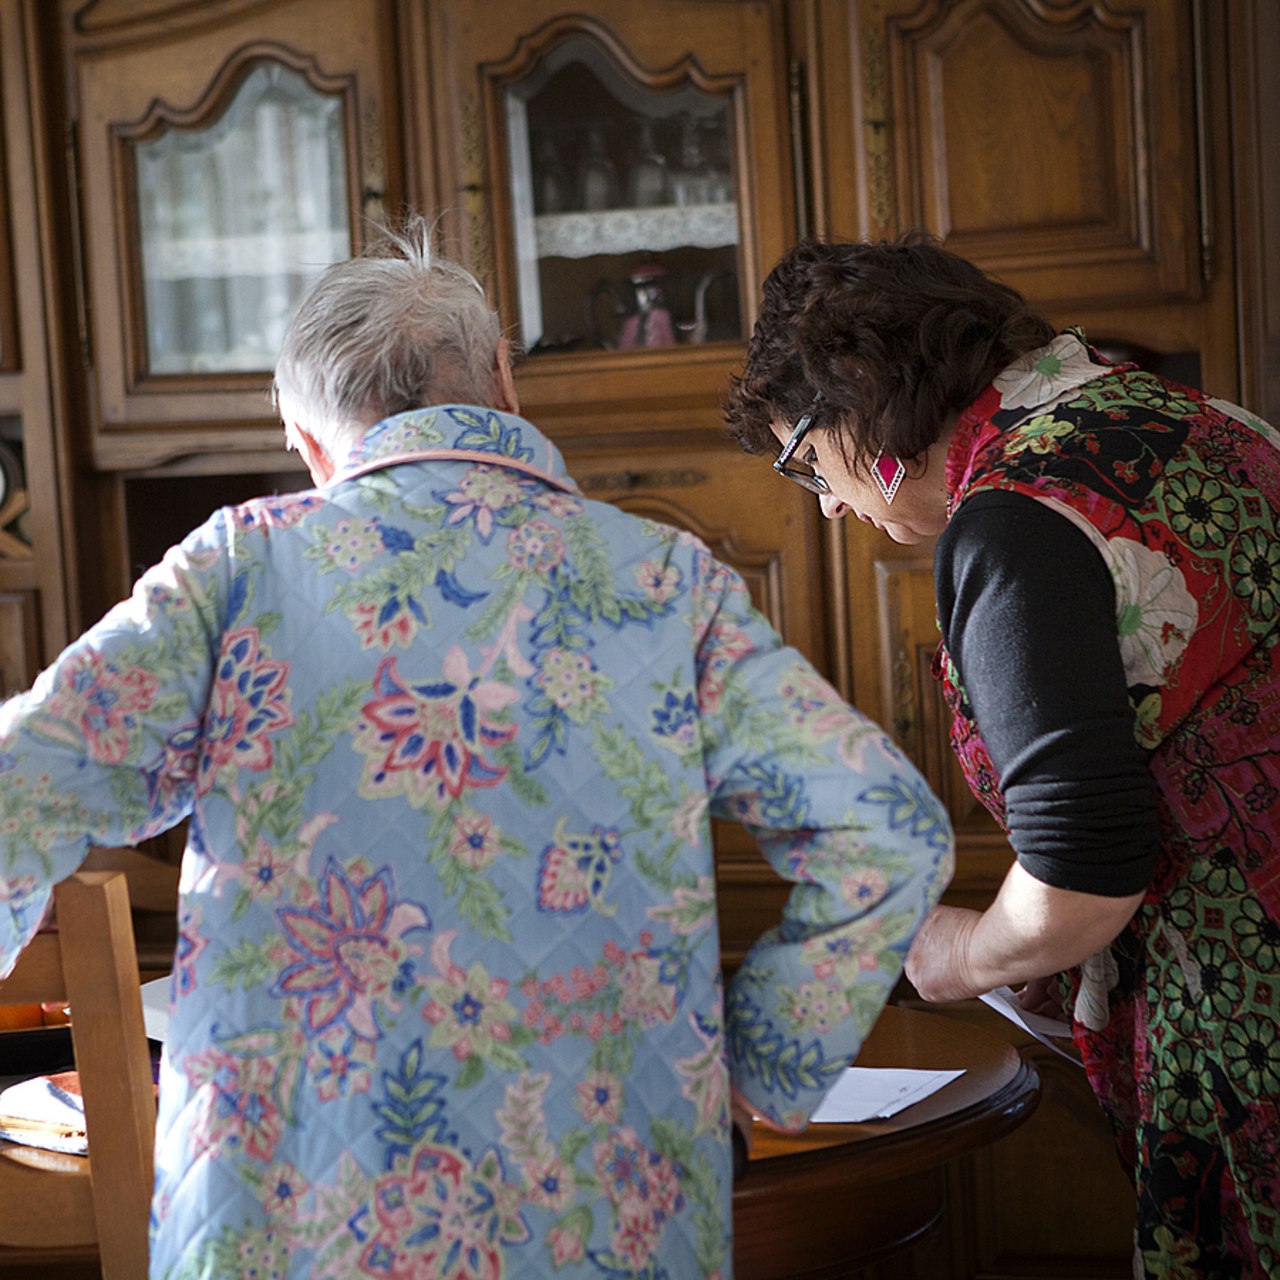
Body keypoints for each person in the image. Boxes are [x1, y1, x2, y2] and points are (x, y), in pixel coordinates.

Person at [0, 220, 952, 1279]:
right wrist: (752, 1066)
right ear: (503, 378)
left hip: (289, 1214)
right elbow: (888, 831)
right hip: (604, 1205)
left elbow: (15, 788)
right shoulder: (662, 580)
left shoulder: (237, 573)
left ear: (313, 444)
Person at [724, 231, 1280, 1279]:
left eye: (806, 462)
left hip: (1247, 1010)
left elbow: (1082, 866)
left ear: (863, 400)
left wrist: (960, 953)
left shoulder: (1015, 519)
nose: (832, 504)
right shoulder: (1202, 419)